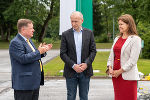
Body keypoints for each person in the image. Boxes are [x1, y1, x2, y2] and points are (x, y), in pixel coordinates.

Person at [9, 19, 52, 100]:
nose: (33, 30)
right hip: (24, 85)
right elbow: (23, 58)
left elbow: (33, 56)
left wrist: (42, 51)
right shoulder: (15, 42)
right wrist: (39, 52)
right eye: (31, 28)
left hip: (33, 82)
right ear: (23, 29)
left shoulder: (28, 41)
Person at [60, 11, 97, 100]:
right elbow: (63, 53)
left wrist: (86, 64)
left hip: (85, 71)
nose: (73, 23)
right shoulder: (65, 34)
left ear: (82, 21)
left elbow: (93, 51)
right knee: (70, 96)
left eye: (76, 21)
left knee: (84, 97)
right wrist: (73, 65)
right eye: (72, 21)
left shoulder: (89, 33)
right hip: (71, 71)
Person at [107, 14, 141, 100]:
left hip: (128, 75)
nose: (119, 26)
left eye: (121, 24)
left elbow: (132, 60)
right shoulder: (117, 38)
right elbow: (111, 55)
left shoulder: (135, 39)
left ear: (129, 24)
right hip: (116, 76)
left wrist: (120, 71)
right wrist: (109, 67)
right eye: (119, 24)